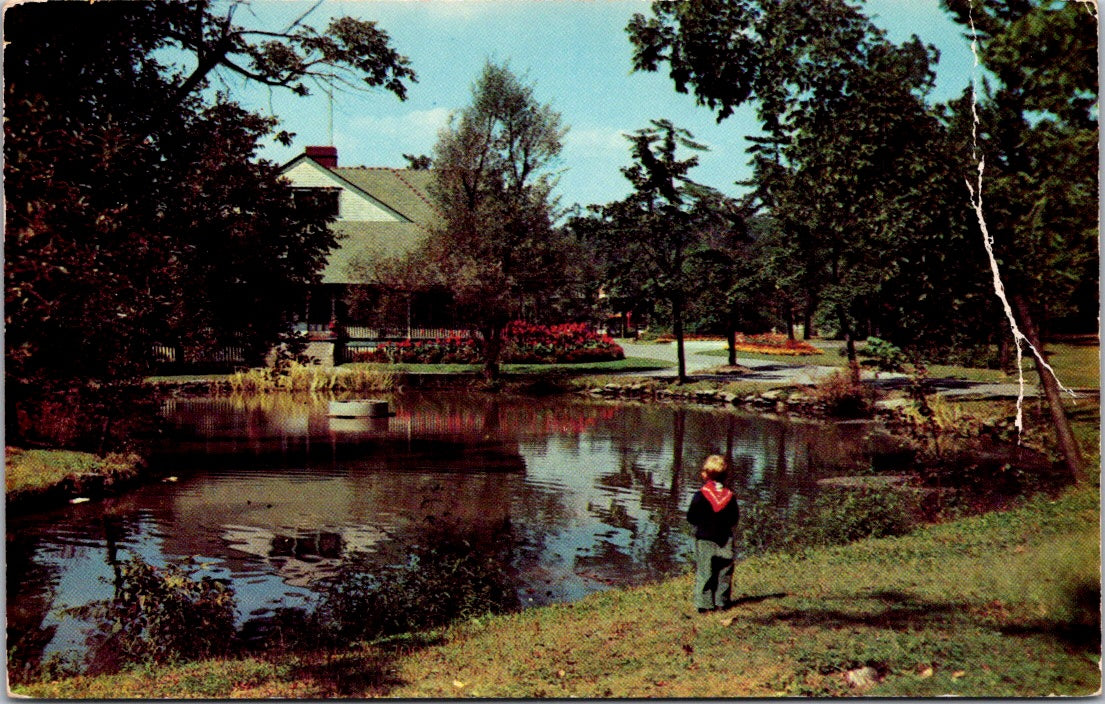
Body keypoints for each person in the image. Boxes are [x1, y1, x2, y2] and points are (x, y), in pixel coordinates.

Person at [686, 454, 740, 613]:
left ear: (705, 475)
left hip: (704, 539)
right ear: (725, 475)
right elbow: (734, 519)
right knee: (724, 571)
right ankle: (721, 603)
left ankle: (704, 605)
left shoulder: (700, 495)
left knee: (705, 571)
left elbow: (691, 517)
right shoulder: (730, 496)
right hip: (725, 538)